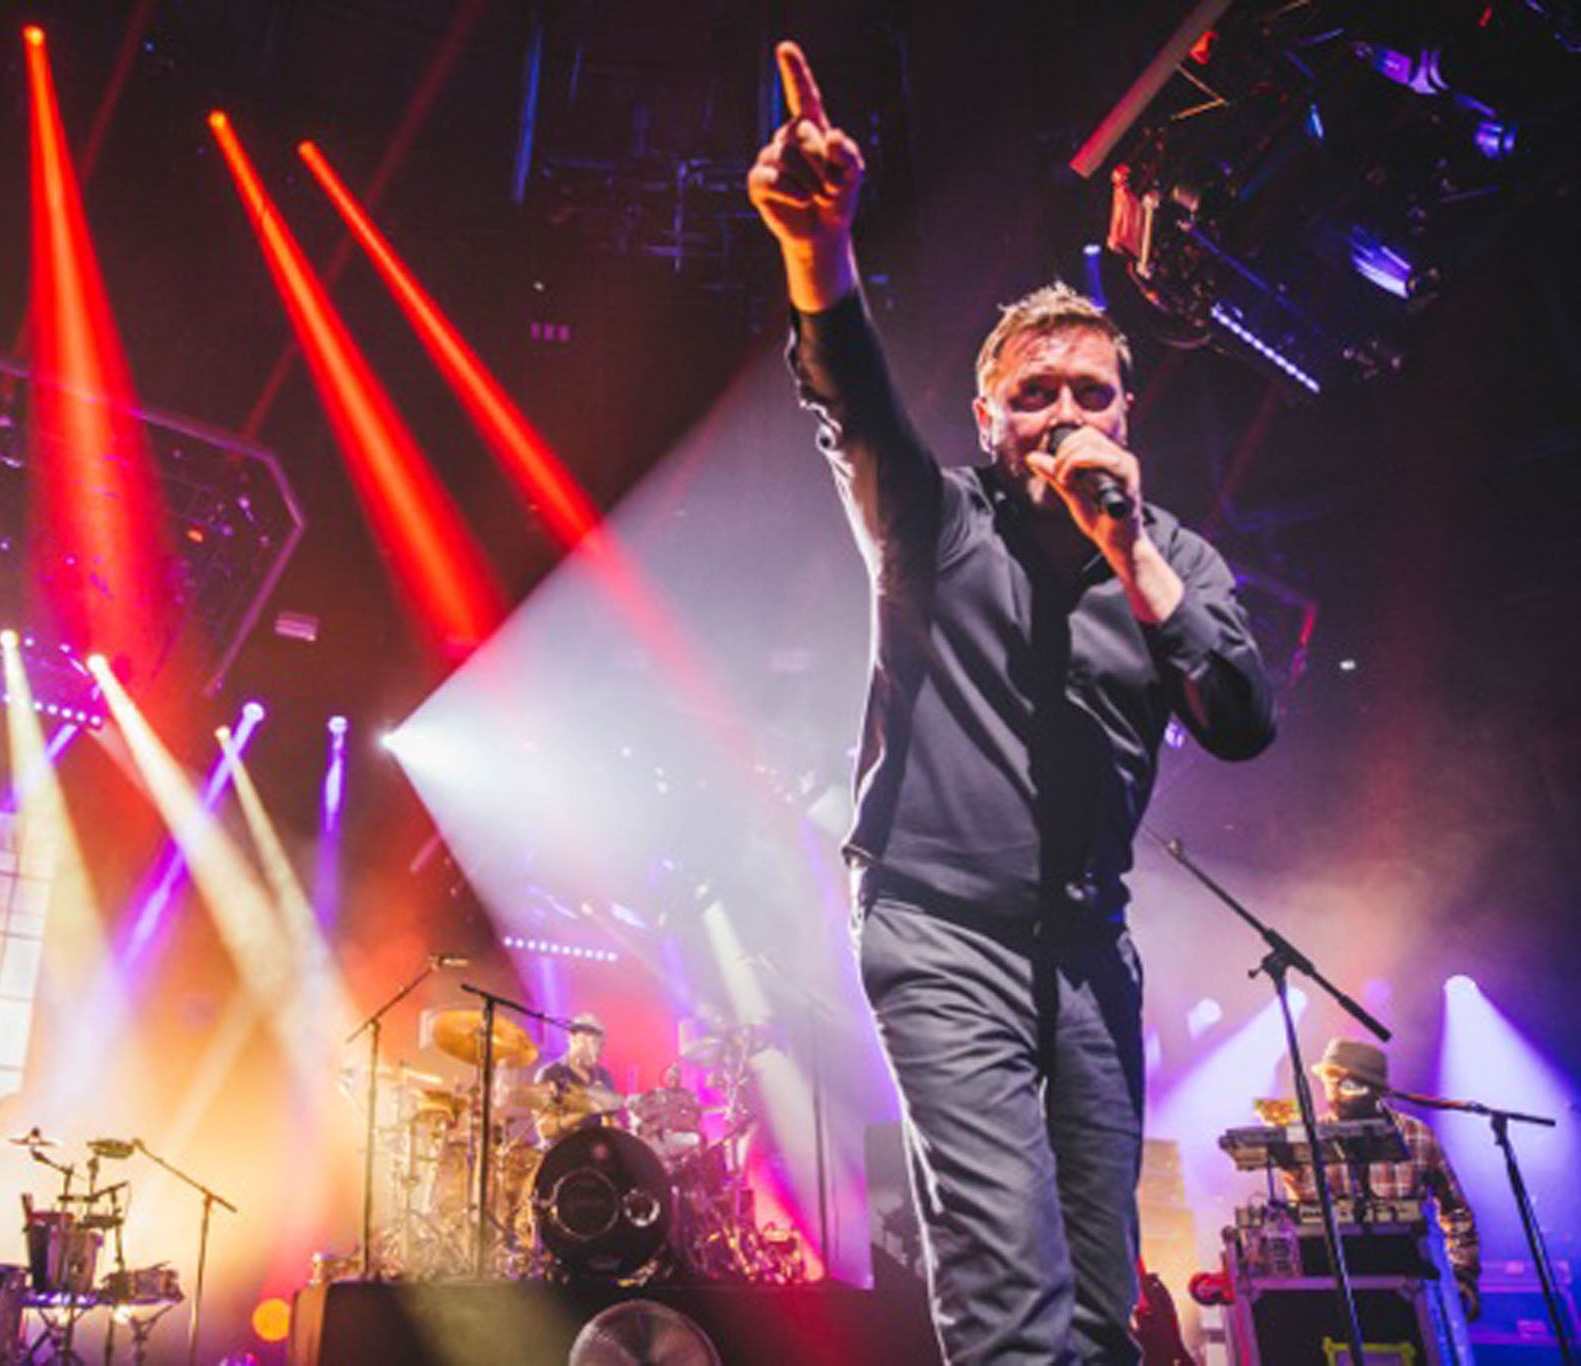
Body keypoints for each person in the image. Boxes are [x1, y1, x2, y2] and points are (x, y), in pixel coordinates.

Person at [748, 42, 1277, 1365]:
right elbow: (848, 397)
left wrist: (1133, 550)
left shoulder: (1173, 560)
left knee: (1107, 1307)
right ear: (989, 422)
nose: (1059, 415)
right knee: (1016, 1305)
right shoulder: (931, 525)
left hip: (1090, 954)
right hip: (937, 931)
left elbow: (1242, 718)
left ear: (1125, 410)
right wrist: (821, 252)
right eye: (1030, 397)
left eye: (1086, 393)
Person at [1284, 1037, 1481, 1319]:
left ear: (1375, 1091)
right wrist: (1288, 1167)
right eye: (1329, 1082)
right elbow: (1303, 1216)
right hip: (1339, 1287)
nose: (1335, 1093)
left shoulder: (1416, 1135)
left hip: (1412, 1282)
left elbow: (1456, 1211)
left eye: (1349, 1085)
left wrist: (1461, 1277)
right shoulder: (1310, 1136)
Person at [531, 1015, 618, 1143]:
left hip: (594, 1153)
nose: (596, 1050)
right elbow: (544, 1130)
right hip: (561, 1153)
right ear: (572, 1039)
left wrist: (609, 1115)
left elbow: (610, 1127)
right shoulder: (550, 1074)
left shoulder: (604, 1076)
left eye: (600, 1045)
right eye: (591, 1042)